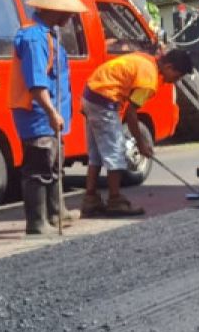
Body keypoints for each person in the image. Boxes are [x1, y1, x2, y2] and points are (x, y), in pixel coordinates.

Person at [81, 46, 192, 217]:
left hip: (90, 94)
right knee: (116, 153)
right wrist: (141, 144)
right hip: (105, 100)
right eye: (176, 76)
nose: (174, 81)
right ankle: (115, 200)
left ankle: (90, 199)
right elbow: (131, 114)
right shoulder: (149, 80)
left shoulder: (146, 60)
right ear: (169, 67)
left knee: (96, 153)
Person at [9, 0, 82, 235]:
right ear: (56, 10)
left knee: (54, 164)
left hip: (51, 114)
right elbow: (36, 82)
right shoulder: (33, 38)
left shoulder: (49, 35)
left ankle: (56, 212)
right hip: (37, 113)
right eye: (69, 12)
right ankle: (37, 222)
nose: (72, 17)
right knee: (38, 167)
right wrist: (51, 112)